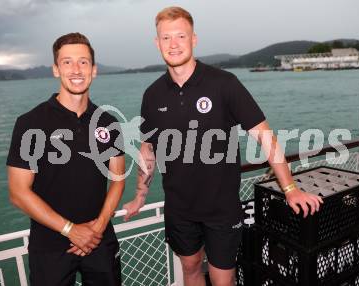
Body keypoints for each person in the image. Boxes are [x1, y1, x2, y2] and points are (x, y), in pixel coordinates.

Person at [123, 6, 323, 286]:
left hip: (221, 208)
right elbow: (148, 150)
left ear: (194, 39)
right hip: (179, 208)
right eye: (166, 38)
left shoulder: (224, 84)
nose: (174, 44)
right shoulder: (152, 94)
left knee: (223, 279)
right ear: (157, 44)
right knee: (190, 268)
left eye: (181, 36)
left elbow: (265, 137)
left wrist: (290, 189)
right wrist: (140, 195)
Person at [7, 32, 125, 286]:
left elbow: (117, 180)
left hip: (100, 239)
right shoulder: (31, 123)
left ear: (94, 70)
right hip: (50, 246)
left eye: (83, 62)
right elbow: (18, 193)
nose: (76, 69)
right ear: (55, 70)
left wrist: (97, 229)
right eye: (67, 62)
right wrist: (72, 230)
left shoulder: (108, 122)